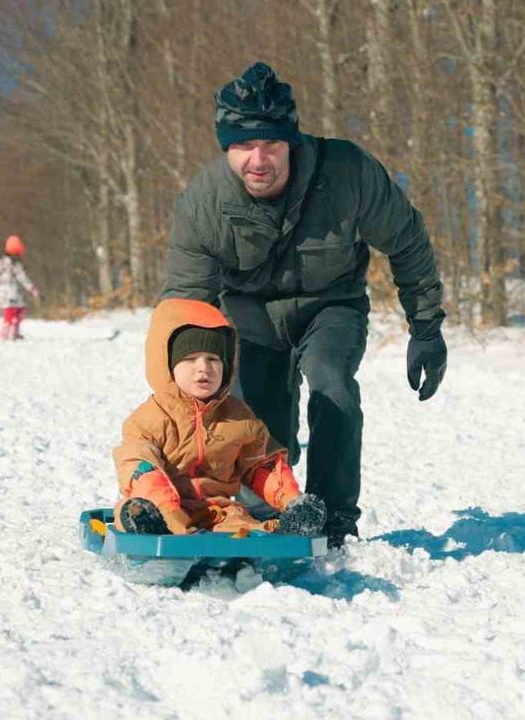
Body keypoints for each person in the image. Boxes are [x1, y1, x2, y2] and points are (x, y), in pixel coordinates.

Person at [161, 62, 448, 547]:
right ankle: (272, 510)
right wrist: (176, 396)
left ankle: (334, 520)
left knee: (332, 386)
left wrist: (426, 327)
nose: (258, 159)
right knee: (260, 424)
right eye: (243, 146)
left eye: (270, 144)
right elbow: (184, 309)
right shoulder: (202, 205)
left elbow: (407, 240)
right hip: (250, 318)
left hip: (329, 305)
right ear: (226, 147)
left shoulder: (347, 173)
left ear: (290, 141)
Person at [112, 298, 326, 537]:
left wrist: (290, 500)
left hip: (216, 511)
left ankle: (290, 532)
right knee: (134, 511)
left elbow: (261, 464)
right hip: (161, 508)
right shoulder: (149, 419)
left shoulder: (238, 418)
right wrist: (166, 509)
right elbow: (139, 466)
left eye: (213, 359)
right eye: (190, 359)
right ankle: (143, 525)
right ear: (168, 366)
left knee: (246, 527)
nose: (203, 368)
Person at [0, 235, 38, 341]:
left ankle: (9, 331)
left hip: (2, 293)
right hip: (12, 292)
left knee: (10, 312)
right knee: (19, 310)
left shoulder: (0, 261)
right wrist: (32, 288)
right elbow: (22, 277)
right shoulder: (15, 263)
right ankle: (10, 332)